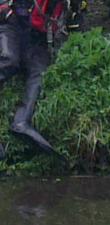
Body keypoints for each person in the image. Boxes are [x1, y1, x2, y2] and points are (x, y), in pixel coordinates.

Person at [0, 0, 87, 160]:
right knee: (9, 59)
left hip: (35, 35)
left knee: (40, 72)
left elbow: (76, 17)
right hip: (9, 23)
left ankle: (21, 122)